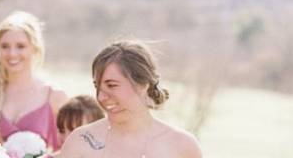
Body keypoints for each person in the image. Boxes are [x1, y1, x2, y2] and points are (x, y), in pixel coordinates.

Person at [59, 41, 202, 158]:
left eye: (112, 85)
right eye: (97, 86)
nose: (101, 97)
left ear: (143, 84)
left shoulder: (182, 146)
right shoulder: (80, 141)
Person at [0, 11, 67, 151]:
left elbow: (69, 150)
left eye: (20, 46)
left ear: (35, 48)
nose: (12, 54)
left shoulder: (55, 97)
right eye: (5, 46)